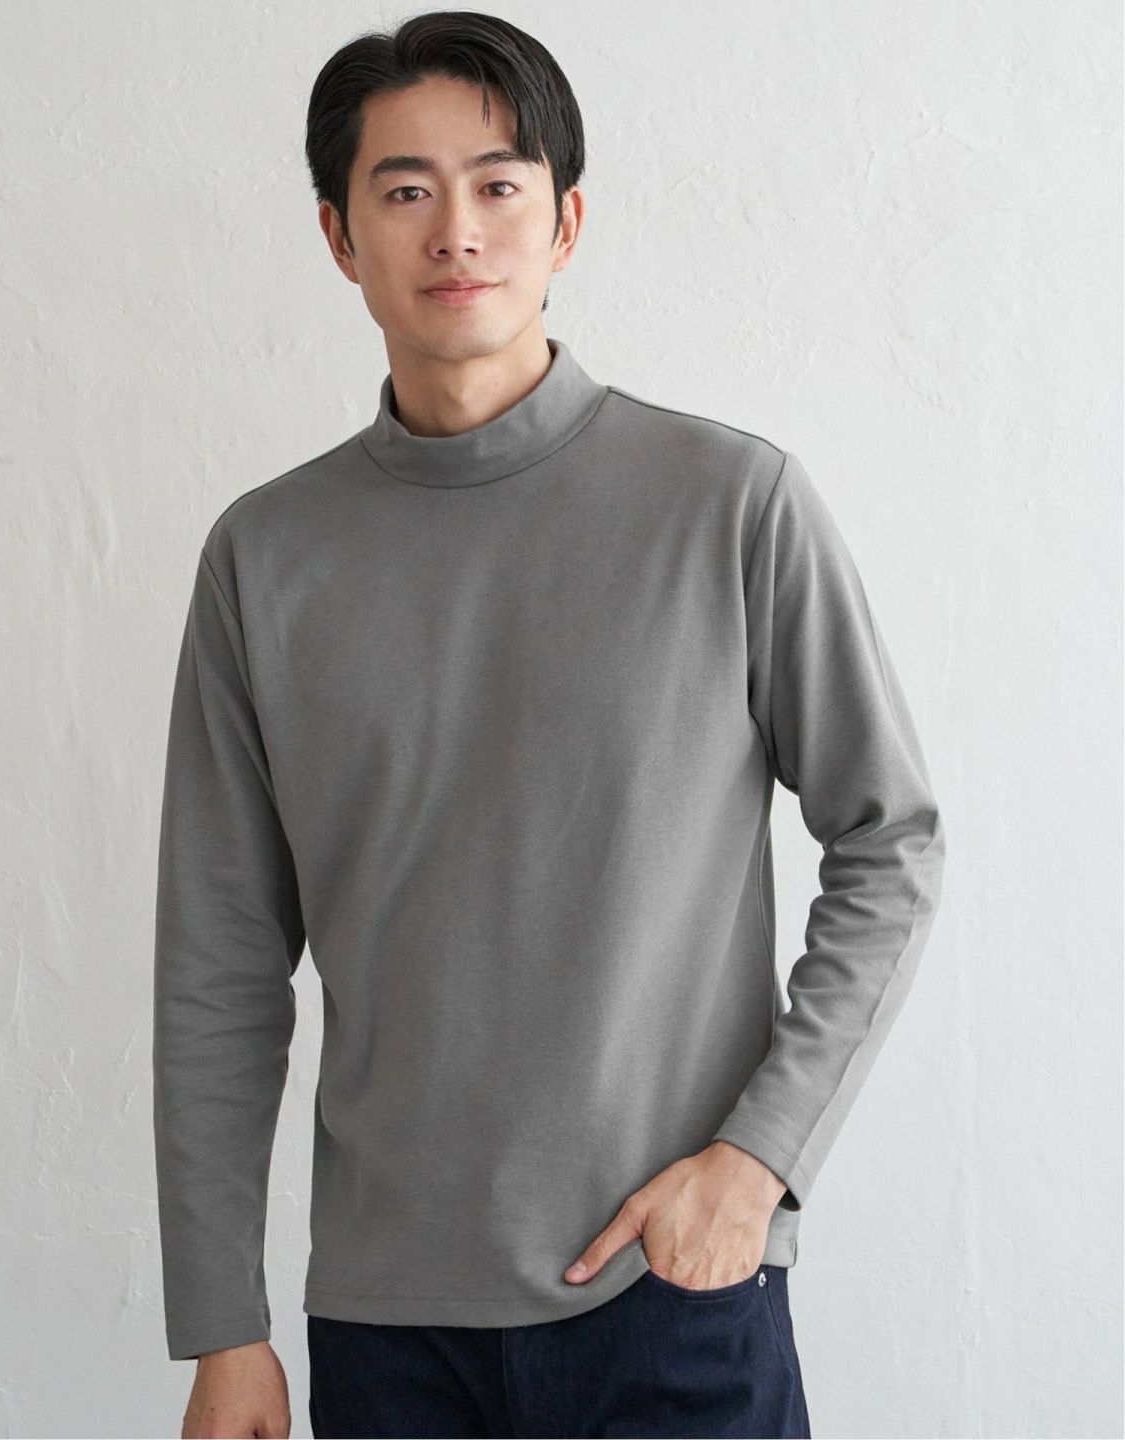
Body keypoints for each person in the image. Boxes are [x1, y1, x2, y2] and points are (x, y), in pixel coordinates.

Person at [151, 11, 946, 1438]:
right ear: (339, 236)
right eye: (405, 189)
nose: (456, 230)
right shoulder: (265, 560)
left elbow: (892, 843)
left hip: (674, 1293)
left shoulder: (729, 505)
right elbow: (219, 964)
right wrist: (224, 1324)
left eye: (500, 184)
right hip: (389, 1334)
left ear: (566, 221)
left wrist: (761, 1160)